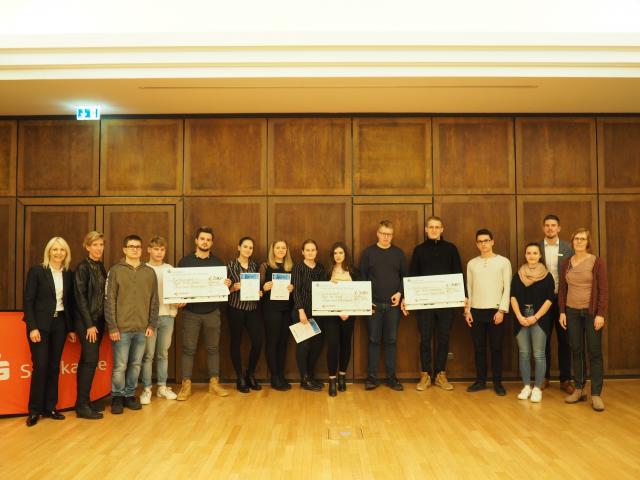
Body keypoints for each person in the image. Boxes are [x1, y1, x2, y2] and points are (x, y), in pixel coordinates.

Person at [23, 237, 77, 427]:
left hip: (60, 324)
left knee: (54, 366)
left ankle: (50, 407)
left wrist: (71, 328)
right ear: (49, 251)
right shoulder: (37, 271)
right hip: (40, 326)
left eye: (62, 250)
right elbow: (28, 301)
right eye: (55, 249)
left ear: (66, 253)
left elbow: (69, 303)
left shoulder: (68, 273)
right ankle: (34, 410)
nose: (58, 253)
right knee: (41, 366)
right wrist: (32, 327)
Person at [406, 216, 463, 391]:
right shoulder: (419, 250)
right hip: (424, 305)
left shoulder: (451, 249)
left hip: (447, 304)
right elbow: (412, 275)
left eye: (437, 227)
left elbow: (458, 274)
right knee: (425, 339)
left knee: (444, 339)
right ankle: (425, 374)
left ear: (442, 229)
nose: (434, 230)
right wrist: (408, 299)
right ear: (426, 229)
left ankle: (440, 374)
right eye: (431, 227)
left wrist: (463, 297)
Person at [176, 226, 232, 401]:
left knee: (213, 348)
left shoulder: (218, 263)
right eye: (202, 239)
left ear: (212, 243)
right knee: (188, 349)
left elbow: (223, 287)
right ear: (196, 241)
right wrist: (178, 298)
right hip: (190, 313)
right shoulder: (185, 262)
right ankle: (186, 385)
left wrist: (226, 284)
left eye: (208, 239)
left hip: (212, 312)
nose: (205, 242)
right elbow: (178, 285)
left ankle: (214, 383)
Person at [105, 234, 158, 414]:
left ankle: (129, 395)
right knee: (120, 366)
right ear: (125, 249)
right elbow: (109, 300)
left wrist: (151, 325)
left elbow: (154, 300)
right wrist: (112, 326)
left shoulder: (149, 272)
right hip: (121, 329)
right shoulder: (116, 271)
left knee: (136, 364)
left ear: (142, 250)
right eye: (131, 246)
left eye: (138, 247)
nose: (135, 249)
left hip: (142, 328)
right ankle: (117, 396)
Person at [558, 228, 608, 412]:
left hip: (591, 313)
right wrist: (562, 312)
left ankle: (596, 394)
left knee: (594, 352)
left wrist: (600, 314)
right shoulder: (566, 262)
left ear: (588, 242)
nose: (579, 242)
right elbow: (562, 290)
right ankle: (579, 389)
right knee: (576, 350)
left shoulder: (597, 262)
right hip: (571, 312)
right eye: (576, 239)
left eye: (582, 239)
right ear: (572, 242)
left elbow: (603, 290)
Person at [360, 220, 408, 391]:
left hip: (393, 307)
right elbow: (362, 278)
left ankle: (392, 379)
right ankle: (371, 378)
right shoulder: (368, 253)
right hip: (373, 305)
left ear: (392, 236)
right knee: (373, 340)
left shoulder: (399, 253)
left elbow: (405, 277)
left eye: (389, 234)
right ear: (377, 234)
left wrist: (400, 293)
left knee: (391, 341)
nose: (386, 237)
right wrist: (367, 300)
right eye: (383, 233)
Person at [465, 229, 512, 396]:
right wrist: (468, 311)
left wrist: (502, 310)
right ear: (476, 244)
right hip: (476, 311)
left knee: (496, 348)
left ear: (492, 242)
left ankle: (497, 383)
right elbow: (469, 288)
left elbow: (507, 287)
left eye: (486, 240)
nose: (483, 244)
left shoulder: (503, 262)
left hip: (495, 311)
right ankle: (480, 381)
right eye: (480, 241)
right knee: (479, 348)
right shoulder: (472, 263)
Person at [510, 243, 555, 403]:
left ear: (540, 256)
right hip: (521, 319)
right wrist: (519, 316)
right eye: (528, 253)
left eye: (535, 253)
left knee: (538, 354)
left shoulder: (547, 276)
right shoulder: (518, 275)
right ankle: (526, 387)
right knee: (524, 354)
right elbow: (513, 297)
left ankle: (537, 388)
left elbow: (549, 300)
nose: (531, 256)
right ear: (525, 255)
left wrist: (535, 317)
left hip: (539, 320)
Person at [140, 236, 179, 404]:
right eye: (156, 249)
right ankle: (147, 389)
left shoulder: (170, 269)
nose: (159, 252)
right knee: (148, 355)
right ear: (149, 250)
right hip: (148, 320)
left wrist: (179, 302)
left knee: (163, 354)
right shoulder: (142, 269)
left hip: (167, 317)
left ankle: (162, 387)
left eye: (162, 249)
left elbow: (178, 292)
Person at [74, 231, 107, 420]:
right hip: (87, 323)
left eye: (101, 244)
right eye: (95, 245)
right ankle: (82, 406)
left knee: (87, 360)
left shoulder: (100, 266)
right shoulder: (83, 267)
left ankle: (84, 401)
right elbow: (80, 298)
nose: (99, 248)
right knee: (90, 360)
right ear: (87, 247)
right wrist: (89, 325)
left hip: (98, 321)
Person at [539, 214, 575, 393]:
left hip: (564, 300)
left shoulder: (569, 248)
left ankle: (565, 380)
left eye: (553, 225)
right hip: (543, 300)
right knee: (543, 340)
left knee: (565, 341)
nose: (550, 228)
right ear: (543, 228)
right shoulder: (536, 248)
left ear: (559, 228)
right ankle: (544, 377)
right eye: (547, 225)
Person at [227, 237, 264, 393]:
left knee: (258, 341)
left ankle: (250, 374)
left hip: (252, 309)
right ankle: (239, 377)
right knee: (236, 342)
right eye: (245, 246)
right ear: (239, 247)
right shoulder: (230, 265)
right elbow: (223, 289)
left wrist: (260, 292)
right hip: (235, 308)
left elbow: (258, 286)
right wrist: (233, 288)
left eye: (250, 247)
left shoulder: (255, 266)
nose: (248, 250)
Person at [260, 240, 295, 391]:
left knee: (283, 343)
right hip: (271, 309)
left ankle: (281, 375)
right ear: (272, 250)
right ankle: (274, 377)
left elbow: (296, 289)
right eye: (278, 248)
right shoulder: (265, 266)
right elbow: (257, 289)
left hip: (286, 309)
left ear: (287, 250)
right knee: (273, 342)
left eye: (283, 248)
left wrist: (293, 288)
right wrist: (264, 287)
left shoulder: (291, 267)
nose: (281, 250)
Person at [292, 239, 326, 391]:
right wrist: (301, 311)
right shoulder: (298, 268)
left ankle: (310, 376)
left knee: (317, 345)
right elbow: (296, 291)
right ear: (302, 252)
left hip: (318, 312)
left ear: (316, 252)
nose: (310, 252)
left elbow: (324, 289)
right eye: (307, 250)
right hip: (302, 312)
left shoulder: (321, 268)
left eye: (313, 250)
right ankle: (304, 379)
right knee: (304, 345)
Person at [325, 242, 358, 397]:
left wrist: (348, 311)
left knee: (346, 344)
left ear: (345, 254)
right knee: (333, 345)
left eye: (341, 253)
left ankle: (342, 377)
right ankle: (332, 380)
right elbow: (322, 294)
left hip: (349, 314)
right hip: (331, 315)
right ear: (332, 255)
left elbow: (360, 292)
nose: (338, 256)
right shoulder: (327, 272)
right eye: (335, 253)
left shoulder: (354, 271)